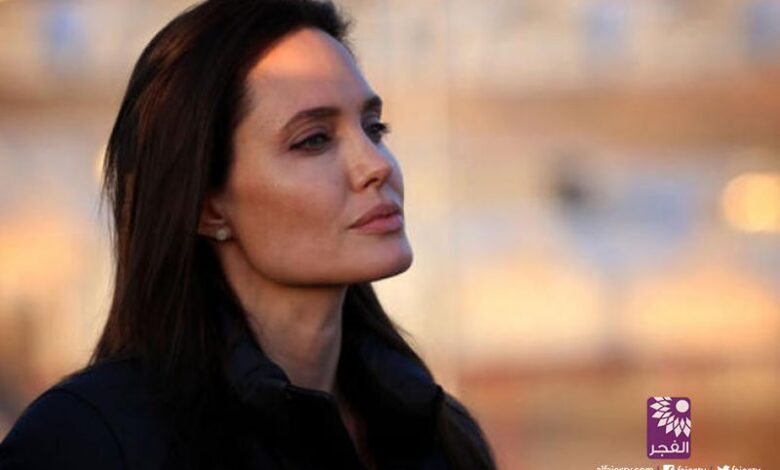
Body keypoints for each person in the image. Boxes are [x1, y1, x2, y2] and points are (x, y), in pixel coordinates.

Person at [0, 0, 496, 468]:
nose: (376, 165)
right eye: (314, 140)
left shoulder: (439, 435)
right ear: (207, 207)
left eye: (373, 128)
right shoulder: (87, 441)